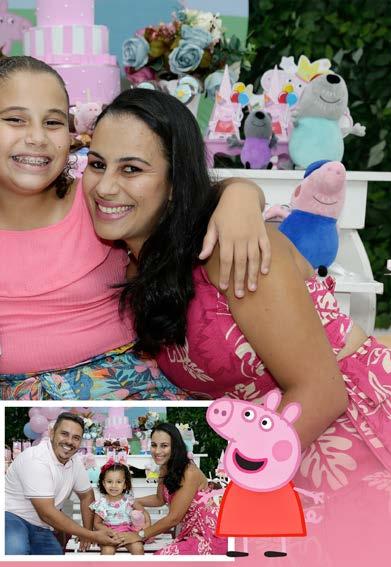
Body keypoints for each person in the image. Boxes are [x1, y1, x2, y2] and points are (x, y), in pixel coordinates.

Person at [83, 87, 391, 566]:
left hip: (358, 428)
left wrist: (239, 490)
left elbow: (323, 393)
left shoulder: (233, 250)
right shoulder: (140, 262)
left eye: (131, 169)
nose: (105, 187)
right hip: (277, 440)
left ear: (175, 183)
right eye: (97, 164)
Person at [0, 55, 270, 400]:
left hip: (129, 389)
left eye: (53, 122)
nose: (37, 137)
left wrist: (240, 194)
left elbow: (180, 192)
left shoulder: (97, 196)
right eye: (15, 119)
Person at [5, 412, 125, 555]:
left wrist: (87, 531)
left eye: (76, 438)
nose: (69, 441)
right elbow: (47, 513)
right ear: (52, 433)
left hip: (42, 526)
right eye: (64, 434)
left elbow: (87, 495)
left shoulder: (75, 461)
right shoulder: (36, 459)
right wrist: (91, 535)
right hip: (11, 516)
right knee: (15, 550)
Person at [134, 423, 226, 555]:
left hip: (209, 534)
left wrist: (140, 535)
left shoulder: (189, 472)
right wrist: (135, 501)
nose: (157, 451)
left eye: (164, 445)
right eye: (154, 445)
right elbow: (160, 499)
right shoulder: (165, 467)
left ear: (175, 447)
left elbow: (174, 518)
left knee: (159, 558)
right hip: (191, 532)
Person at [90, 461, 150, 555]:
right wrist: (110, 532)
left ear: (125, 484)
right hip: (109, 534)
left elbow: (144, 512)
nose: (114, 485)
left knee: (138, 548)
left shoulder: (129, 500)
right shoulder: (102, 503)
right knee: (107, 551)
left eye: (118, 482)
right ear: (104, 483)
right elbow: (97, 523)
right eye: (109, 482)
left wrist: (147, 525)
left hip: (128, 533)